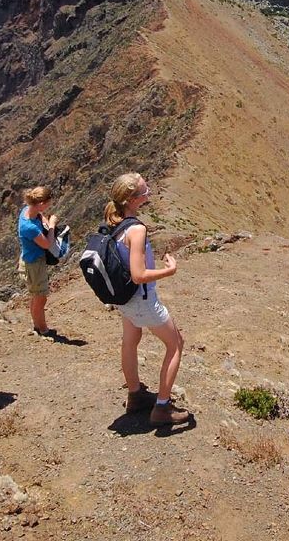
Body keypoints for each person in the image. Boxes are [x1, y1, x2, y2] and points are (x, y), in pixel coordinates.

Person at [104, 172, 190, 426]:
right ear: (132, 199)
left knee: (130, 340)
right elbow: (139, 274)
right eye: (144, 191)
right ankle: (162, 408)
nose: (149, 192)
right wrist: (169, 270)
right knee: (175, 344)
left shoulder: (115, 219)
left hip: (125, 298)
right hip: (141, 298)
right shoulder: (136, 229)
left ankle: (135, 395)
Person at [17, 186, 59, 337]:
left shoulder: (28, 210)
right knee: (40, 298)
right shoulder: (29, 227)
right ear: (41, 203)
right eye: (48, 204)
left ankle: (37, 324)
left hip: (31, 260)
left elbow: (40, 215)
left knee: (36, 296)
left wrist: (45, 220)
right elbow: (47, 244)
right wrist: (52, 225)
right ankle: (42, 329)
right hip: (34, 264)